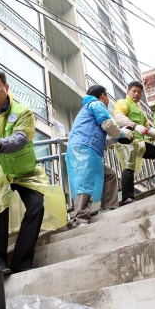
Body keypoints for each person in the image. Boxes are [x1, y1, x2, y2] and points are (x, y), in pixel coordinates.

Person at [0, 69, 66, 276]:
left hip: (26, 171)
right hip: (0, 173)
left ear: (6, 87)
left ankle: (22, 261)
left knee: (35, 207)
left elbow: (21, 138)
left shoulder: (23, 112)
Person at [66, 84, 134, 226]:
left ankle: (109, 207)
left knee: (108, 175)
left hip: (86, 148)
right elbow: (107, 124)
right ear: (102, 95)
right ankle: (80, 219)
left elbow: (100, 139)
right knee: (85, 182)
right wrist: (122, 133)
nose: (108, 100)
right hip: (85, 149)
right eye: (107, 96)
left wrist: (116, 137)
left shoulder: (88, 109)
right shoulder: (96, 104)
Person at [113, 81, 155, 205]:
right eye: (134, 91)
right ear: (128, 92)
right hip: (127, 141)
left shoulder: (141, 110)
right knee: (129, 166)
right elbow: (118, 118)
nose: (136, 94)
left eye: (139, 92)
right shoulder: (123, 103)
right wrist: (135, 126)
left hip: (140, 142)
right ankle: (126, 198)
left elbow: (148, 128)